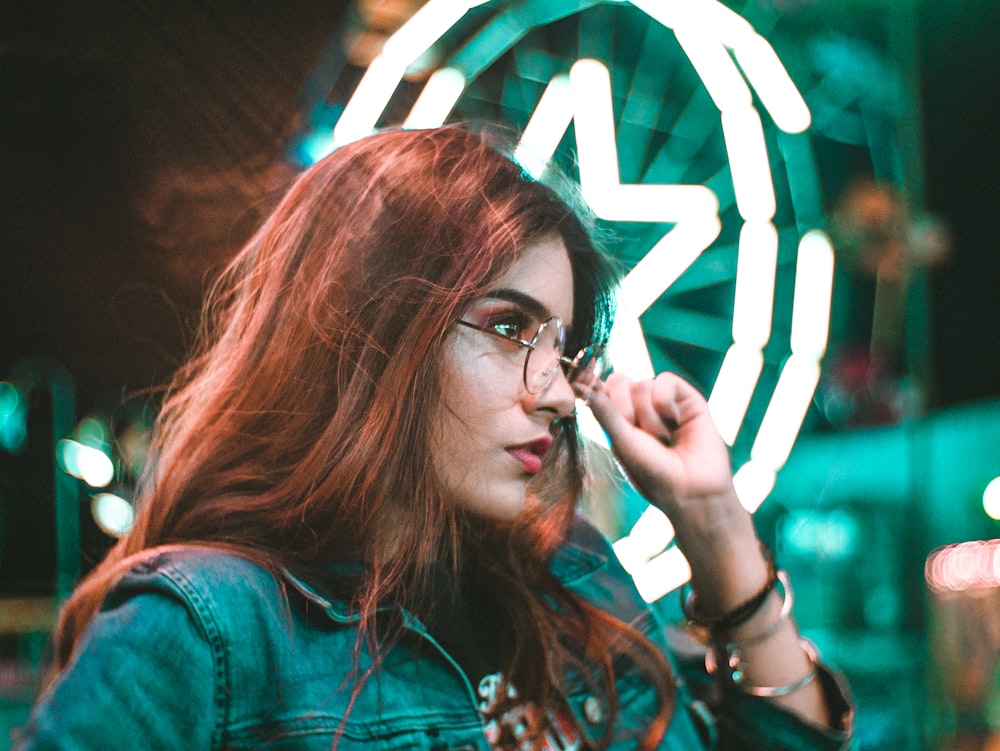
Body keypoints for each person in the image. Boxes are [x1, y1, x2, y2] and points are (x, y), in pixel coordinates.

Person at [12, 126, 853, 750]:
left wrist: (711, 519)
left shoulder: (574, 579)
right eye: (509, 325)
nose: (558, 394)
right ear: (364, 328)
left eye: (561, 346)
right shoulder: (204, 631)